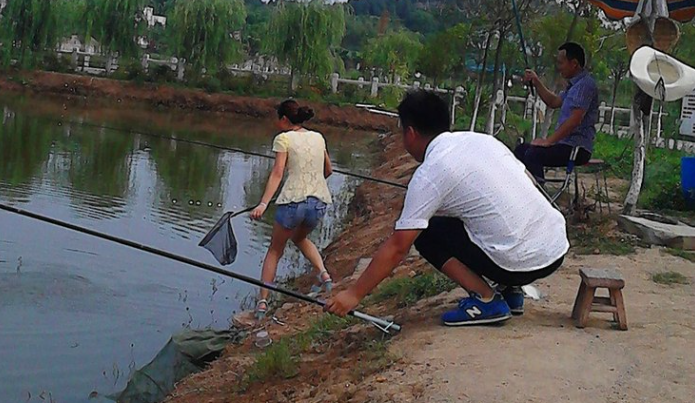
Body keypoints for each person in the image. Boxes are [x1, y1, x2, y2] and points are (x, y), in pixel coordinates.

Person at [325, 90, 569, 326]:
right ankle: (510, 292)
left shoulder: (430, 173)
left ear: (410, 133)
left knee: (426, 234)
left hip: (518, 264)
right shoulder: (482, 140)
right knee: (485, 214)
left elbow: (399, 246)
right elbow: (526, 179)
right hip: (555, 248)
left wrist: (353, 294)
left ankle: (486, 299)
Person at [250, 99, 335, 320]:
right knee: (300, 238)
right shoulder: (318, 137)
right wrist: (315, 182)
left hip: (293, 202)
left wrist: (263, 203)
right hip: (318, 202)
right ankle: (324, 275)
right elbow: (329, 169)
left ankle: (262, 303)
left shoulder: (283, 139)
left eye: (278, 119)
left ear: (285, 119)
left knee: (275, 251)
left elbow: (278, 173)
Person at [515, 42, 599, 183]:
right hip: (564, 145)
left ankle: (539, 193)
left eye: (561, 63)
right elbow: (553, 102)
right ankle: (523, 188)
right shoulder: (573, 86)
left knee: (533, 154)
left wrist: (549, 141)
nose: (558, 67)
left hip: (576, 148)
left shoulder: (585, 85)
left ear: (574, 64)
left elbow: (575, 120)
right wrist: (536, 81)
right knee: (521, 150)